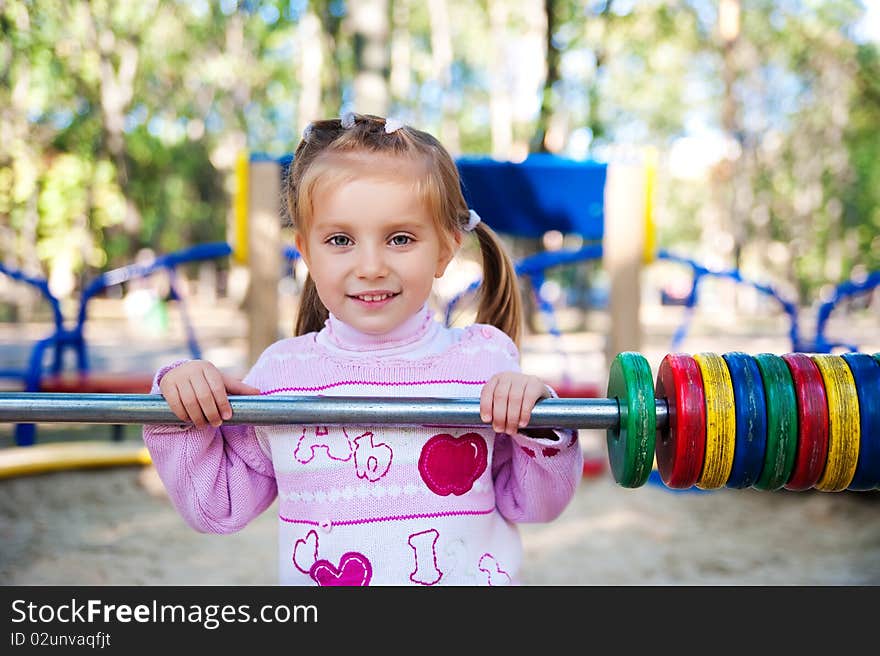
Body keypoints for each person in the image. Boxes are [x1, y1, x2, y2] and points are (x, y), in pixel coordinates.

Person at [143, 112, 583, 586]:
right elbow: (217, 507)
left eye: (400, 238)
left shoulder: (483, 362)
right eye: (340, 240)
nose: (370, 266)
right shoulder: (282, 375)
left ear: (444, 250)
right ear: (307, 252)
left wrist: (540, 423)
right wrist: (180, 408)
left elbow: (536, 505)